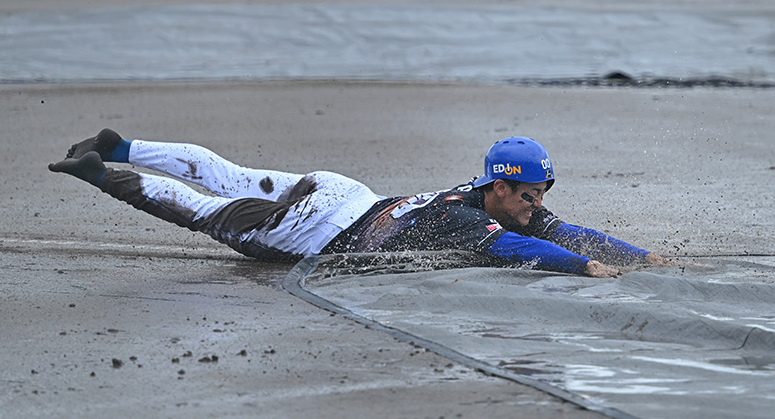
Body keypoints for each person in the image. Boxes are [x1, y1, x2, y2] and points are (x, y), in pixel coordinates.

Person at [49, 130, 672, 278]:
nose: (537, 205)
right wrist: (585, 268)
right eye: (529, 194)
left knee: (231, 174)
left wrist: (640, 257)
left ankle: (125, 145)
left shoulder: (479, 194)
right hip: (315, 229)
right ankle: (101, 172)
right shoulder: (471, 219)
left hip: (344, 189)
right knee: (203, 210)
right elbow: (524, 248)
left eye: (542, 195)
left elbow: (567, 230)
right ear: (501, 189)